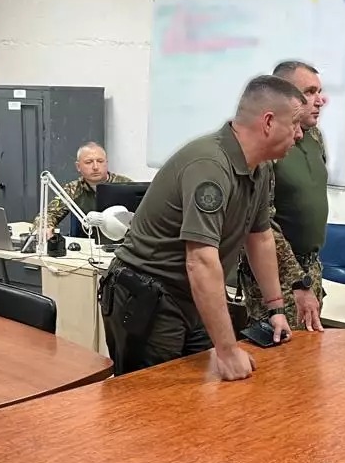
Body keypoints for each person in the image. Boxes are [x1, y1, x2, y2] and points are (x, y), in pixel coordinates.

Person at [99, 76, 305, 380]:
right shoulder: (210, 164)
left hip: (192, 298)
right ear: (268, 122)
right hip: (148, 296)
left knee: (202, 395)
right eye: (295, 123)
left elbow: (260, 238)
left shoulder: (259, 168)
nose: (300, 134)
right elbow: (200, 260)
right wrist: (228, 350)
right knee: (151, 399)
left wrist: (275, 309)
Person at [238, 60, 327, 332]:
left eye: (319, 91)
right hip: (277, 273)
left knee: (309, 349)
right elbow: (261, 224)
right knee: (279, 347)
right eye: (309, 92)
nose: (320, 100)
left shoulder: (315, 138)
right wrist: (296, 280)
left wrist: (308, 278)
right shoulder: (269, 147)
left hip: (310, 269)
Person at [33, 141, 133, 238]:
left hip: (123, 244)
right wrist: (45, 227)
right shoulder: (73, 189)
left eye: (100, 161)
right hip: (86, 245)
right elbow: (47, 215)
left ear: (106, 163)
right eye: (89, 162)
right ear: (78, 166)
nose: (95, 167)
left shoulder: (126, 185)